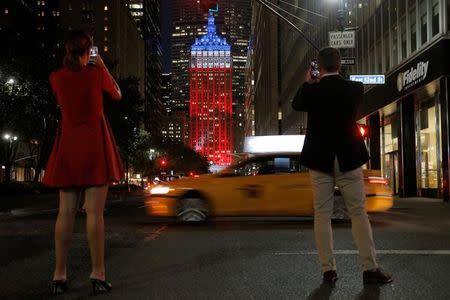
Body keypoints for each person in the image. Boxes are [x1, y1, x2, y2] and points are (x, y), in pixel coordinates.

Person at [292, 47, 392, 284]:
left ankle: (329, 270)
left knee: (322, 215)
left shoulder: (312, 92)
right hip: (349, 157)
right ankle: (370, 268)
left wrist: (310, 82)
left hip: (319, 159)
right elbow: (345, 91)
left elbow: (296, 103)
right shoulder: (354, 89)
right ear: (339, 66)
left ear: (319, 67)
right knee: (358, 213)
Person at [43, 30, 123, 295]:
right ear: (89, 51)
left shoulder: (56, 78)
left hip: (68, 147)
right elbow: (117, 94)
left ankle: (59, 275)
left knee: (64, 213)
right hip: (95, 148)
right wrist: (101, 66)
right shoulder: (96, 74)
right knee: (95, 214)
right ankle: (98, 274)